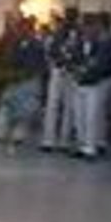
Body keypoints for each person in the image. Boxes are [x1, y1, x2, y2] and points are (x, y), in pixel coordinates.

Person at [0, 16, 46, 146]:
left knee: (25, 110)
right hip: (14, 78)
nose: (20, 31)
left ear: (30, 29)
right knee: (6, 104)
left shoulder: (37, 45)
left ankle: (19, 135)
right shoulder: (17, 43)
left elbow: (35, 67)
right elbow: (9, 59)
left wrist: (18, 75)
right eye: (19, 28)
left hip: (29, 80)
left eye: (23, 28)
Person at [72, 13, 111, 159]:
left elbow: (101, 64)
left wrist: (88, 68)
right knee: (79, 115)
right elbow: (74, 58)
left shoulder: (102, 43)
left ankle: (90, 147)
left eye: (89, 26)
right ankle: (81, 144)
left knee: (91, 116)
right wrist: (77, 68)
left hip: (94, 83)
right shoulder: (79, 42)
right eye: (84, 27)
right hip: (79, 81)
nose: (86, 30)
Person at [40, 9, 81, 152]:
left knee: (68, 106)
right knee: (53, 104)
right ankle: (48, 140)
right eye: (69, 17)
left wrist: (72, 62)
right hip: (58, 70)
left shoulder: (79, 33)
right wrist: (58, 61)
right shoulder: (58, 32)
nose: (70, 20)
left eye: (73, 17)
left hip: (71, 71)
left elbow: (80, 52)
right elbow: (51, 50)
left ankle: (64, 140)